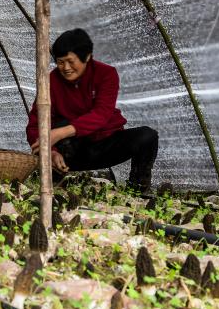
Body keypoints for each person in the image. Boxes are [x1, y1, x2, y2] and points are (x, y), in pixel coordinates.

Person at [26, 28, 158, 193]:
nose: (65, 67)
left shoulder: (106, 74)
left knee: (147, 136)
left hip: (105, 145)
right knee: (59, 126)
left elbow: (102, 114)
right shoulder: (50, 82)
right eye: (60, 62)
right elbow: (34, 126)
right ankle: (52, 184)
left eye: (70, 61)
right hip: (70, 154)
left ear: (87, 57)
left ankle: (138, 189)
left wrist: (60, 133)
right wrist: (51, 152)